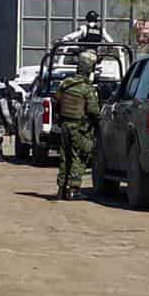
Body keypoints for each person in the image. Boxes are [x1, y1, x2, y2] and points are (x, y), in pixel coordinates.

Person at [53, 49, 100, 200]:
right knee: (79, 156)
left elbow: (56, 102)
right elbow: (93, 110)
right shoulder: (87, 88)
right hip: (79, 127)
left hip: (65, 125)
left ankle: (61, 188)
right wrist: (98, 123)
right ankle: (73, 190)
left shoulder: (65, 83)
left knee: (64, 156)